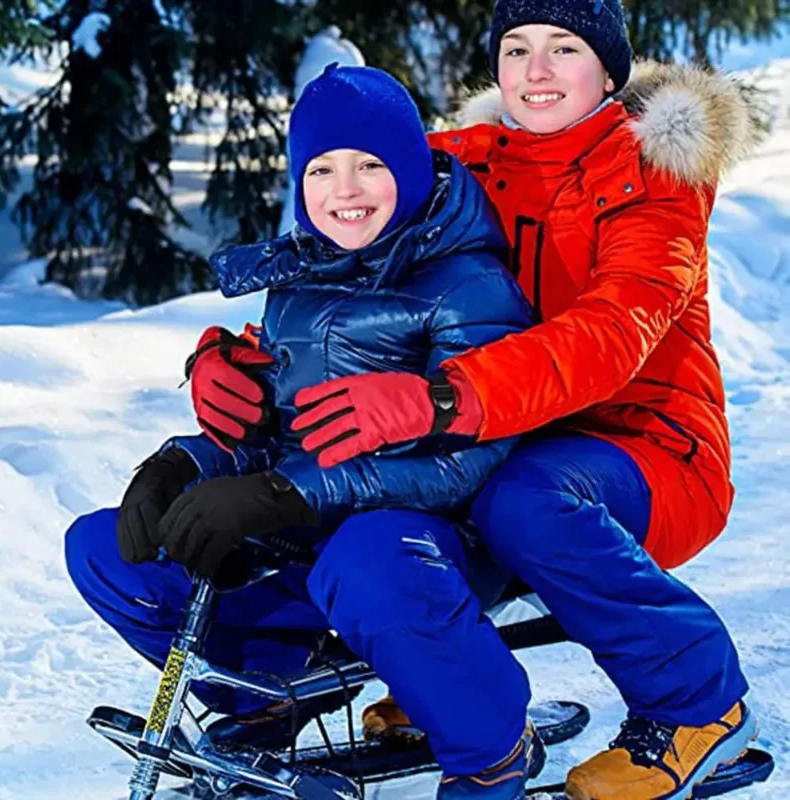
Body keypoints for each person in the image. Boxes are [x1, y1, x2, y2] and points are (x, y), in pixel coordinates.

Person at [196, 3, 765, 799]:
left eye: (563, 49)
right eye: (517, 49)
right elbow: (347, 267)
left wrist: (439, 398)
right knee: (396, 504)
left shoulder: (654, 179)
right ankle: (443, 687)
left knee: (518, 499)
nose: (536, 71)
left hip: (643, 446)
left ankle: (696, 704)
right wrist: (236, 362)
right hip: (492, 433)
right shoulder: (460, 160)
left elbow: (608, 335)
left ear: (608, 72)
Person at [65, 64, 541, 797]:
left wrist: (290, 494)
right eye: (321, 169)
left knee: (366, 553)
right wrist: (183, 467)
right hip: (313, 536)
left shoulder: (468, 284)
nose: (344, 190)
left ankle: (493, 745)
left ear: (411, 168)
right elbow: (272, 433)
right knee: (105, 548)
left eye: (369, 165)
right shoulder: (299, 280)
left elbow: (466, 462)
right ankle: (274, 692)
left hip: (426, 546)